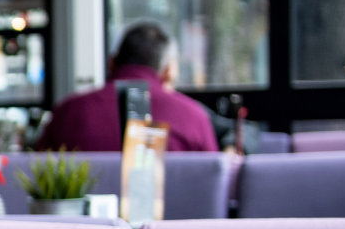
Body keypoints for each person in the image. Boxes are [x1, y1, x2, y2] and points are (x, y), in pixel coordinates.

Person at [37, 22, 218, 152]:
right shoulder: (192, 116)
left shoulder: (67, 111)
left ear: (112, 62)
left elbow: (37, 175)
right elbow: (211, 183)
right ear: (168, 70)